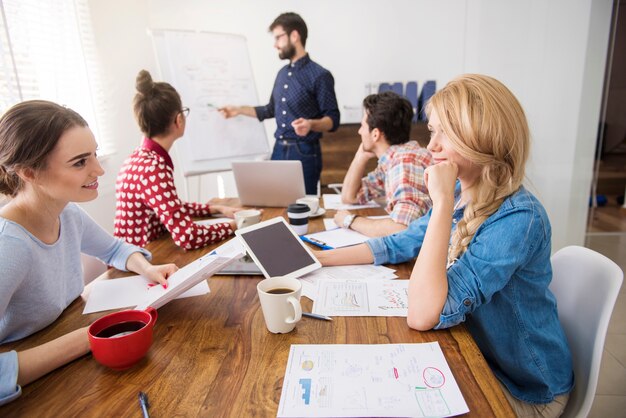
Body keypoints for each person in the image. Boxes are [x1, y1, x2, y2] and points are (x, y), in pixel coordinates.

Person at [316, 74, 574, 417]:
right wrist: (319, 258)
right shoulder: (460, 193)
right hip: (480, 357)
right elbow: (400, 243)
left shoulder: (518, 220)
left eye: (443, 134)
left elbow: (424, 314)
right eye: (432, 131)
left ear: (479, 141)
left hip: (525, 390)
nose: (430, 146)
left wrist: (439, 205)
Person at [0, 100, 178, 405]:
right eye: (80, 162)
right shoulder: (9, 248)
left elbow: (114, 248)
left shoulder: (67, 214)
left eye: (94, 154)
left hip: (72, 360)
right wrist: (89, 338)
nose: (99, 169)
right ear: (29, 172)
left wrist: (146, 268)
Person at [115, 70, 242, 250]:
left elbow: (171, 207)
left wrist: (218, 209)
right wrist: (237, 225)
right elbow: (188, 237)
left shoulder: (137, 159)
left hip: (139, 256)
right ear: (178, 119)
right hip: (142, 262)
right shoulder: (153, 167)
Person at [219, 12, 340, 195]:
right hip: (278, 149)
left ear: (294, 35)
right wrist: (237, 110)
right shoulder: (282, 73)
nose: (275, 45)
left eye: (278, 38)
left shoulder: (320, 75)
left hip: (304, 151)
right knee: (275, 203)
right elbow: (269, 110)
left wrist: (311, 124)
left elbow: (333, 119)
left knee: (303, 207)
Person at [334, 91, 432, 237]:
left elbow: (402, 229)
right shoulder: (394, 160)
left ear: (375, 134)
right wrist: (360, 157)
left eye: (362, 126)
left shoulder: (404, 163)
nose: (359, 132)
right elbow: (350, 197)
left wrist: (350, 220)